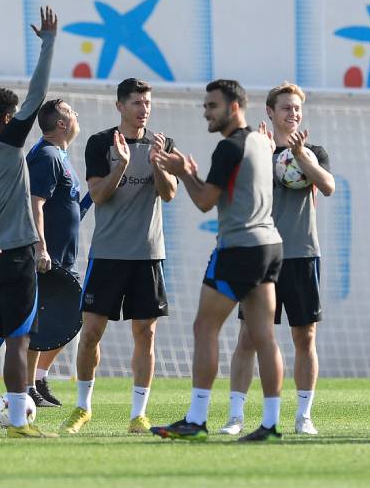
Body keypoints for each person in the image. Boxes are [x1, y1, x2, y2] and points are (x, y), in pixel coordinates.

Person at [150, 79, 286, 442]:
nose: (207, 112)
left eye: (212, 105)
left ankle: (196, 419)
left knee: (204, 328)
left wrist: (183, 172)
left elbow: (205, 202)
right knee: (264, 337)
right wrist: (192, 174)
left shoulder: (229, 148)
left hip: (238, 248)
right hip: (270, 246)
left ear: (234, 107)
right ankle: (271, 425)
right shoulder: (261, 141)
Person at [63, 78, 177, 435]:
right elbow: (97, 195)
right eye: (137, 103)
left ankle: (139, 414)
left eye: (147, 103)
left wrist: (159, 164)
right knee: (92, 331)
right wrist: (121, 166)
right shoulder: (101, 143)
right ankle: (82, 408)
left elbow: (169, 194)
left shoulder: (163, 143)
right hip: (109, 254)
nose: (144, 109)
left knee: (145, 333)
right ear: (120, 106)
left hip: (148, 254)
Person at [220, 82, 334, 436]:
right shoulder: (255, 149)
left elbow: (327, 185)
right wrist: (266, 155)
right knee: (249, 338)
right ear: (270, 112)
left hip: (302, 254)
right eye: (286, 108)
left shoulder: (313, 151)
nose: (293, 114)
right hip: (262, 256)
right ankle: (236, 416)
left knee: (305, 337)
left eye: (297, 108)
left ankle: (303, 416)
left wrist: (300, 158)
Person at [0, 7, 60, 439]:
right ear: (7, 118)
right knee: (19, 341)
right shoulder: (8, 141)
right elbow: (37, 95)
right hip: (17, 252)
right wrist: (49, 43)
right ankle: (20, 422)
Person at [25, 98, 85, 407]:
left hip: (63, 256)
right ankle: (25, 386)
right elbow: (35, 203)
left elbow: (69, 205)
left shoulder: (59, 155)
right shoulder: (48, 155)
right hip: (48, 259)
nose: (76, 115)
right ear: (61, 124)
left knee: (69, 318)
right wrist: (41, 247)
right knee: (42, 321)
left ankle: (37, 377)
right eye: (71, 112)